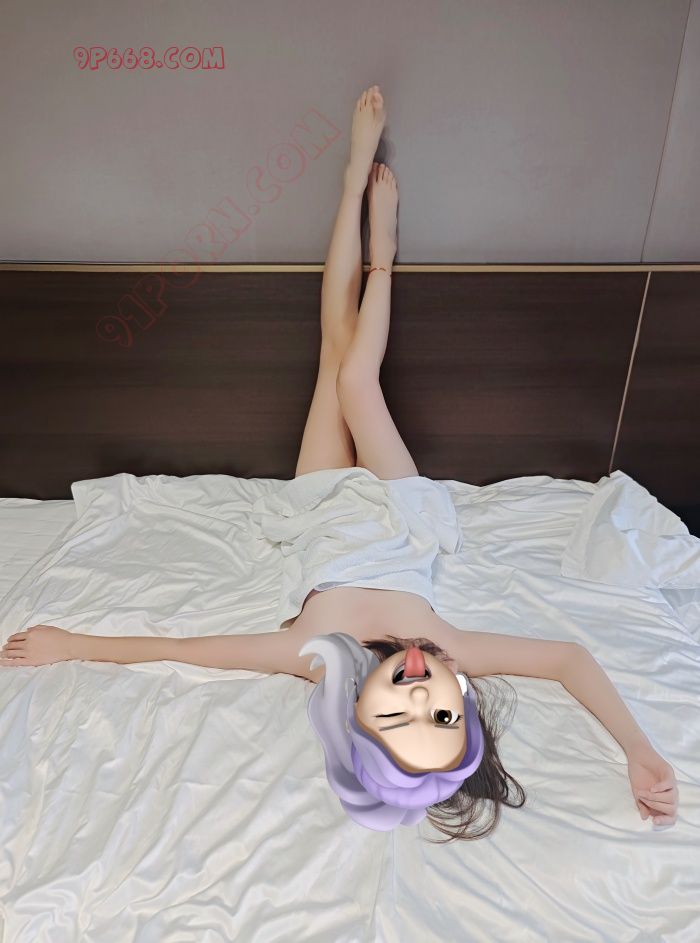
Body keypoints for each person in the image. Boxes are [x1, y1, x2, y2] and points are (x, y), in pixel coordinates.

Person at [0, 86, 678, 838]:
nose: (419, 693)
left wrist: (72, 645)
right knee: (358, 380)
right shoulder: (451, 650)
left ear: (358, 715)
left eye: (399, 715)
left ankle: (353, 185)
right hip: (398, 508)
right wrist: (639, 750)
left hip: (321, 505)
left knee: (334, 358)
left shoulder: (313, 657)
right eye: (443, 714)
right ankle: (381, 257)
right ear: (463, 702)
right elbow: (569, 658)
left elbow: (182, 647)